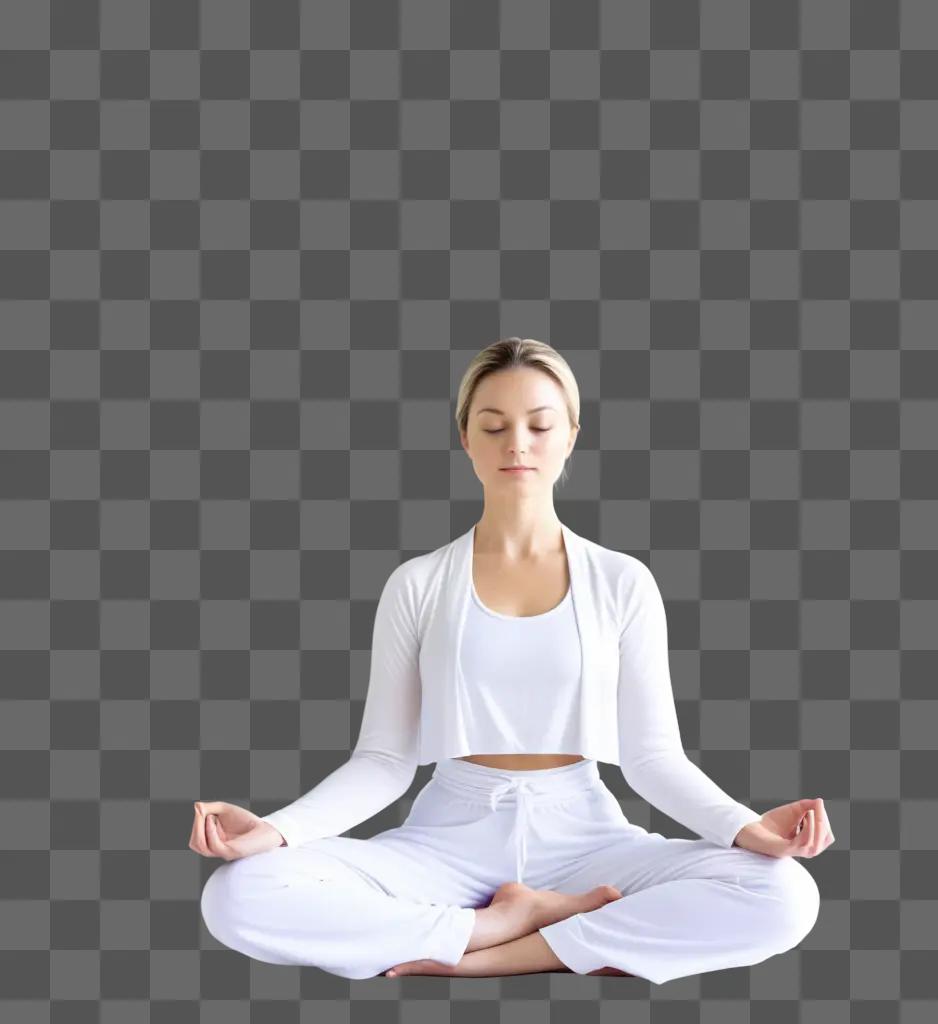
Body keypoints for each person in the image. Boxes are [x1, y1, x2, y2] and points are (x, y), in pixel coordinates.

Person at [192, 337, 832, 984]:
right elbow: (383, 763)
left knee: (785, 895)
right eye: (492, 426)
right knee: (237, 894)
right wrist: (275, 832)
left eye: (539, 425)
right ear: (465, 439)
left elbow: (653, 761)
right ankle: (504, 925)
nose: (516, 444)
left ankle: (490, 950)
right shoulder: (417, 585)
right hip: (444, 843)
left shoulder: (622, 582)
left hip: (587, 840)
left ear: (572, 435)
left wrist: (747, 829)